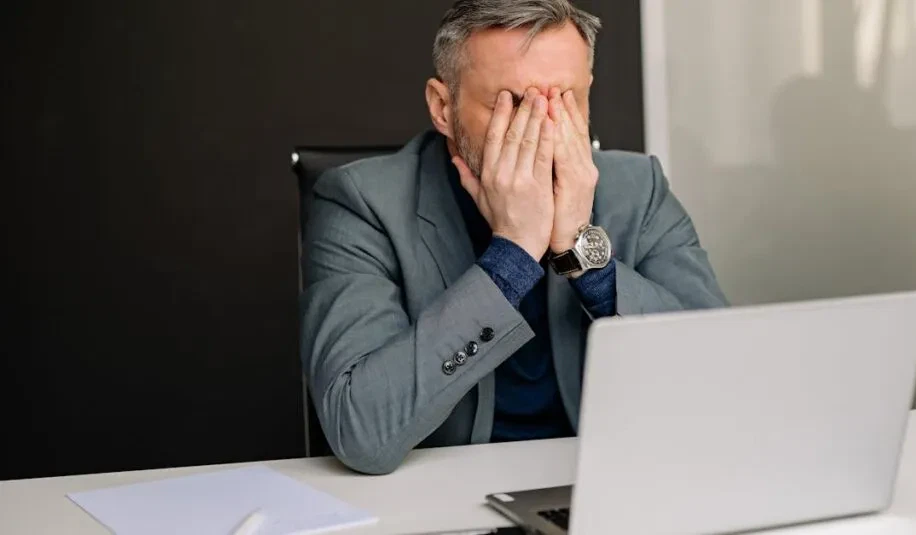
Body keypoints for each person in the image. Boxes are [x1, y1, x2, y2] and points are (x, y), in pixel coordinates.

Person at [299, 0, 727, 475]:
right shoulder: (362, 202)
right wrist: (514, 253)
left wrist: (584, 254)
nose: (542, 131)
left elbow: (724, 381)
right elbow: (361, 432)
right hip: (444, 495)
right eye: (514, 105)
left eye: (565, 101)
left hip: (610, 483)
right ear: (443, 107)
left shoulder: (638, 188)